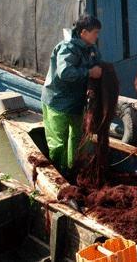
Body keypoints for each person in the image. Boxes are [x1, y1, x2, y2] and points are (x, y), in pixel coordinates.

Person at [41, 15, 102, 175]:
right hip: (57, 101)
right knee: (58, 143)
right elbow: (65, 72)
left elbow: (97, 65)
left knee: (79, 138)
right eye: (95, 32)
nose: (97, 36)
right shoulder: (66, 48)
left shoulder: (92, 49)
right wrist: (89, 72)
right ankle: (58, 174)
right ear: (83, 33)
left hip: (77, 102)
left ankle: (74, 171)